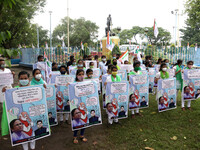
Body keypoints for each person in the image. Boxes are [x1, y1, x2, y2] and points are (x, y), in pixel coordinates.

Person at [0, 57, 15, 136]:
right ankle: (6, 125)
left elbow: (11, 81)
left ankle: (12, 122)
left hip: (9, 89)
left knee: (11, 106)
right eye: (1, 63)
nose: (3, 64)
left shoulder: (8, 71)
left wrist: (13, 75)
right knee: (4, 107)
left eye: (3, 62)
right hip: (1, 90)